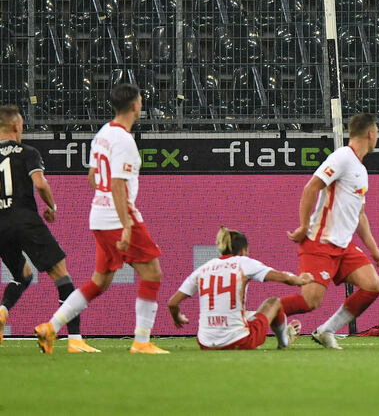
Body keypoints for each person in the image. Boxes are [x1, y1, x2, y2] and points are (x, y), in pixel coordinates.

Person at [35, 84, 167, 355]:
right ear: (134, 106)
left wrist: (107, 197)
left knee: (100, 282)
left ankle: (50, 327)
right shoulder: (125, 141)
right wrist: (127, 225)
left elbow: (93, 176)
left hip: (99, 216)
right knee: (152, 272)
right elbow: (117, 184)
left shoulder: (103, 134)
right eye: (140, 101)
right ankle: (142, 341)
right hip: (119, 218)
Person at [281, 113, 379, 350]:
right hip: (321, 242)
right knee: (310, 302)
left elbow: (359, 215)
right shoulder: (341, 157)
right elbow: (311, 187)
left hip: (344, 246)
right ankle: (262, 314)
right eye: (377, 133)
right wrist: (304, 225)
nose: (377, 137)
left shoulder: (361, 169)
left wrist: (374, 250)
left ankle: (325, 330)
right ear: (371, 133)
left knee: (372, 285)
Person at [0, 105, 97, 353]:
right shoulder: (27, 152)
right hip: (25, 219)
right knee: (62, 275)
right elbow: (40, 184)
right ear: (15, 126)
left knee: (23, 276)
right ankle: (75, 339)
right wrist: (51, 205)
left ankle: (2, 311)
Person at [168, 227, 313, 350]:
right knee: (274, 303)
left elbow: (173, 303)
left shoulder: (203, 268)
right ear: (244, 250)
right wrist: (301, 280)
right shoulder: (243, 262)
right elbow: (284, 277)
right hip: (239, 341)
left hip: (205, 343)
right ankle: (284, 343)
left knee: (245, 314)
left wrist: (177, 318)